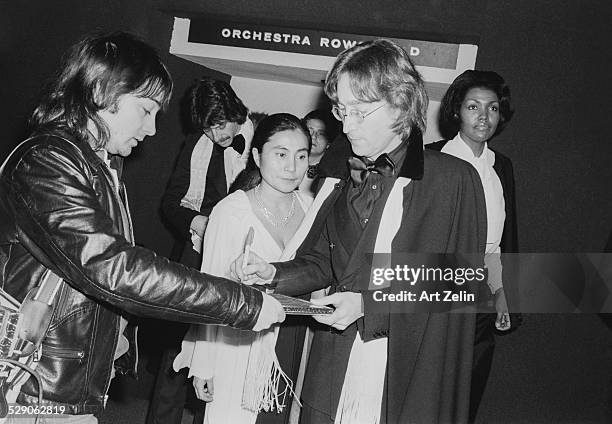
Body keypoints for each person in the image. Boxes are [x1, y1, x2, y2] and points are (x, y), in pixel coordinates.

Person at [0, 32, 284, 423]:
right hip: (35, 391)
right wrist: (241, 303)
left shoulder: (96, 164)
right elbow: (112, 267)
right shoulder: (47, 161)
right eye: (146, 109)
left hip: (59, 386)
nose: (151, 129)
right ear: (102, 91)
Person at [234, 39, 487, 424]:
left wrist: (369, 304)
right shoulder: (338, 171)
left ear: (401, 104)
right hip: (333, 364)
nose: (346, 125)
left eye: (359, 112)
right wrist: (275, 273)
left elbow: (458, 281)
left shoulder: (453, 181)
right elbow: (325, 261)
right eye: (342, 110)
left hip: (404, 369)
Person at [173, 113, 313, 424]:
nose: (292, 167)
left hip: (288, 348)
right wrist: (204, 364)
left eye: (301, 156)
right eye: (281, 154)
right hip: (237, 344)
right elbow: (209, 293)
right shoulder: (231, 211)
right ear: (257, 156)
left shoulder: (310, 208)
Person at [148, 78, 253, 424]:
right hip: (197, 253)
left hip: (245, 257)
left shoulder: (262, 138)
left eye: (221, 124)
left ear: (236, 112)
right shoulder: (197, 144)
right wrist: (197, 222)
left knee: (228, 348)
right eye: (208, 127)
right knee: (179, 348)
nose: (217, 134)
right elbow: (170, 202)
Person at [427, 69, 518, 422]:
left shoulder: (501, 168)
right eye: (473, 106)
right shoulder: (431, 160)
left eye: (492, 108)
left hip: (480, 297)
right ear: (456, 111)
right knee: (428, 394)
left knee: (467, 397)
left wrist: (500, 293)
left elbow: (495, 244)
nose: (484, 116)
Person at [298, 109, 339, 197]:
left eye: (321, 133)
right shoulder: (286, 163)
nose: (313, 137)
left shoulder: (331, 174)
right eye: (309, 131)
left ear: (329, 143)